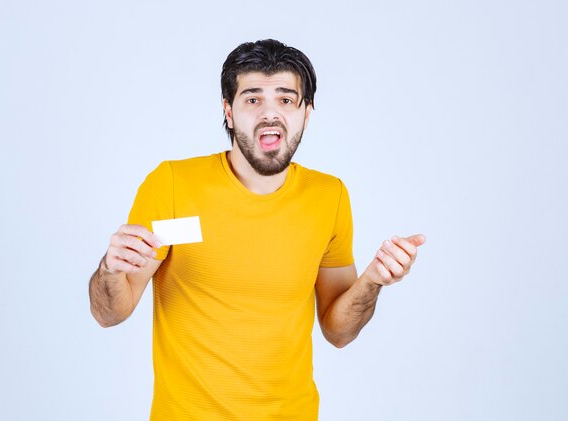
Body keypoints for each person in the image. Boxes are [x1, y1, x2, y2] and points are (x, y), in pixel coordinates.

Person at [89, 39, 425, 420]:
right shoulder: (171, 185)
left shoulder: (329, 196)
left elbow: (338, 331)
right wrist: (110, 269)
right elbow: (110, 313)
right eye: (252, 99)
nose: (270, 113)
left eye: (286, 99)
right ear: (228, 112)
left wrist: (374, 280)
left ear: (306, 113)